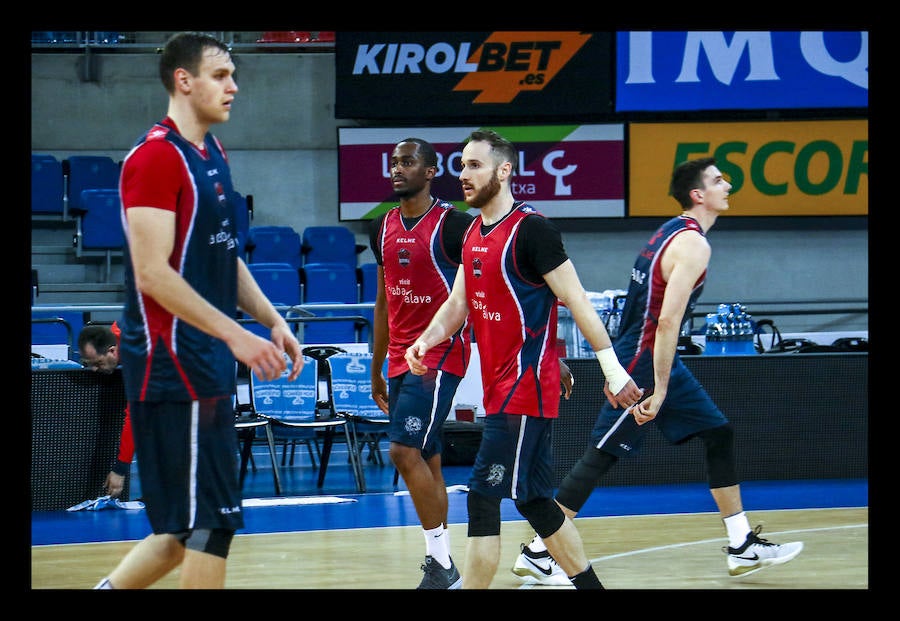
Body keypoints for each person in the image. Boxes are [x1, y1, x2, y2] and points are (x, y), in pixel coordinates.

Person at [514, 157, 804, 582]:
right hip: (645, 359)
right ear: (698, 194)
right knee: (602, 454)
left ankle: (741, 544)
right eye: (718, 180)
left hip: (651, 353)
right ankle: (541, 550)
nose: (728, 185)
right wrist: (658, 385)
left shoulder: (670, 231)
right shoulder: (693, 244)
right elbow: (668, 321)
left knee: (718, 433)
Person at [93, 32, 304, 590]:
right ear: (183, 80)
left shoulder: (211, 155)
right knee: (208, 523)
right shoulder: (155, 157)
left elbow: (224, 257)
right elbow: (152, 272)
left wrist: (272, 320)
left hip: (203, 362)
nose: (233, 87)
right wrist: (237, 336)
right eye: (219, 75)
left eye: (233, 75)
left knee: (186, 531)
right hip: (170, 365)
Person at [405, 129, 643, 590]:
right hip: (501, 391)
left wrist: (613, 372)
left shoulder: (533, 230)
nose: (464, 175)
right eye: (461, 166)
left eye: (475, 165)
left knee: (482, 497)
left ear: (504, 170)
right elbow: (458, 305)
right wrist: (426, 341)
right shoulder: (472, 230)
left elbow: (577, 301)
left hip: (524, 389)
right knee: (534, 499)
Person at [368, 138, 474, 589]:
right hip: (398, 356)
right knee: (426, 455)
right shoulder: (381, 226)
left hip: (441, 351)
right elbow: (382, 302)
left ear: (431, 171)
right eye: (394, 162)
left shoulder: (454, 226)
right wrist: (376, 367)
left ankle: (440, 563)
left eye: (408, 162)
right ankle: (443, 560)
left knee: (402, 451)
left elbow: (482, 289)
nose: (397, 169)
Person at [77, 323, 133, 498]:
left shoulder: (137, 354)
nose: (94, 370)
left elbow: (135, 417)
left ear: (112, 351)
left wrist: (120, 468)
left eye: (98, 363)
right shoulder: (112, 333)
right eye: (89, 364)